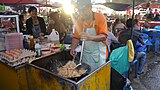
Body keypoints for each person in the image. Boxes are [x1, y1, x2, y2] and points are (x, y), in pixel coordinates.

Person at [70, 0, 108, 72]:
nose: (81, 13)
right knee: (86, 75)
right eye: (79, 11)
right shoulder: (79, 20)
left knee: (98, 76)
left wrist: (90, 37)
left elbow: (104, 36)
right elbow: (76, 37)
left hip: (99, 55)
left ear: (90, 7)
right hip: (86, 54)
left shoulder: (100, 17)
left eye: (83, 10)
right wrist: (73, 48)